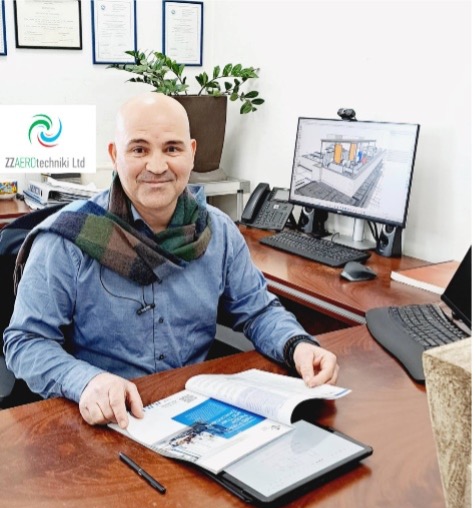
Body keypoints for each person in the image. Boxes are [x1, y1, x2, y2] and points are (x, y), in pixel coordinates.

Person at [4, 93, 338, 429]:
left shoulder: (219, 231)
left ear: (191, 154)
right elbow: (25, 342)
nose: (157, 166)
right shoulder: (66, 240)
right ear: (115, 155)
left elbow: (258, 311)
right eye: (139, 150)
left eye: (172, 149)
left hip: (194, 415)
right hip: (104, 421)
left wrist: (297, 345)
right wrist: (87, 382)